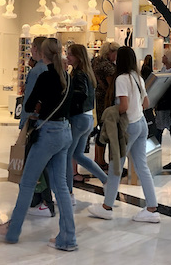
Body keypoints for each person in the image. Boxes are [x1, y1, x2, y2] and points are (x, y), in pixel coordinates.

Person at [0, 38, 76, 250]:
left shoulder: (44, 76)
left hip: (47, 133)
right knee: (61, 187)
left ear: (42, 54)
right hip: (65, 131)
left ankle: (13, 231)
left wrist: (39, 107)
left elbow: (28, 104)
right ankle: (68, 237)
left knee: (27, 182)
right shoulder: (67, 76)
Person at [88, 45, 159, 223]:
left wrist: (110, 112)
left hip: (128, 127)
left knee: (115, 167)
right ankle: (152, 208)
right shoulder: (137, 77)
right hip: (141, 123)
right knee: (141, 166)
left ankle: (107, 207)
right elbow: (146, 103)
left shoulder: (121, 79)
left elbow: (124, 106)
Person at [66, 43, 108, 195]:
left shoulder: (79, 74)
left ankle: (68, 193)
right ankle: (105, 180)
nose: (67, 57)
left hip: (79, 118)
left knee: (68, 155)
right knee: (77, 155)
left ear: (78, 57)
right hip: (88, 118)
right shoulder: (87, 73)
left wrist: (68, 100)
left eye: (70, 54)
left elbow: (80, 94)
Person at [22, 36, 55, 217]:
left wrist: (26, 122)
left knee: (35, 163)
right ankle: (38, 199)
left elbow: (30, 100)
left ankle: (44, 200)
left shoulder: (37, 72)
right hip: (48, 123)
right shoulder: (52, 70)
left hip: (35, 122)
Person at [91, 41, 119, 170]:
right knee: (105, 130)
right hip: (106, 100)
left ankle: (98, 159)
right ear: (110, 52)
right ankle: (100, 160)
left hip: (98, 98)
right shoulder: (107, 66)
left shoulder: (96, 62)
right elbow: (111, 85)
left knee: (101, 128)